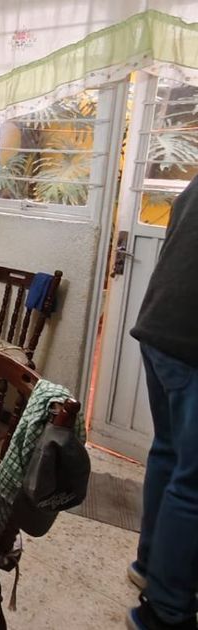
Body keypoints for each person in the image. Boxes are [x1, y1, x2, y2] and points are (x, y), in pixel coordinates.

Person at [128, 174, 198, 630]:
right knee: (193, 484)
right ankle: (166, 612)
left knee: (168, 453)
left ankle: (150, 565)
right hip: (191, 343)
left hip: (158, 330)